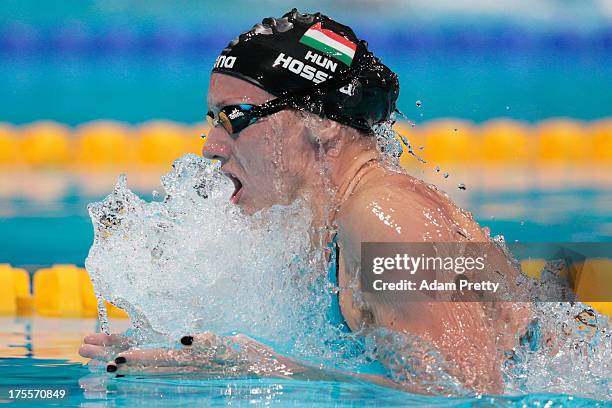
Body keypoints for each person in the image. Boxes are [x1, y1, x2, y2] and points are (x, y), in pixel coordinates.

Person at [79, 9, 531, 394]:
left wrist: (271, 371)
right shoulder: (318, 223)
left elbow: (471, 395)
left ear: (321, 121)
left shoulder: (386, 218)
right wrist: (177, 350)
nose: (211, 146)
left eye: (233, 117)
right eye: (212, 120)